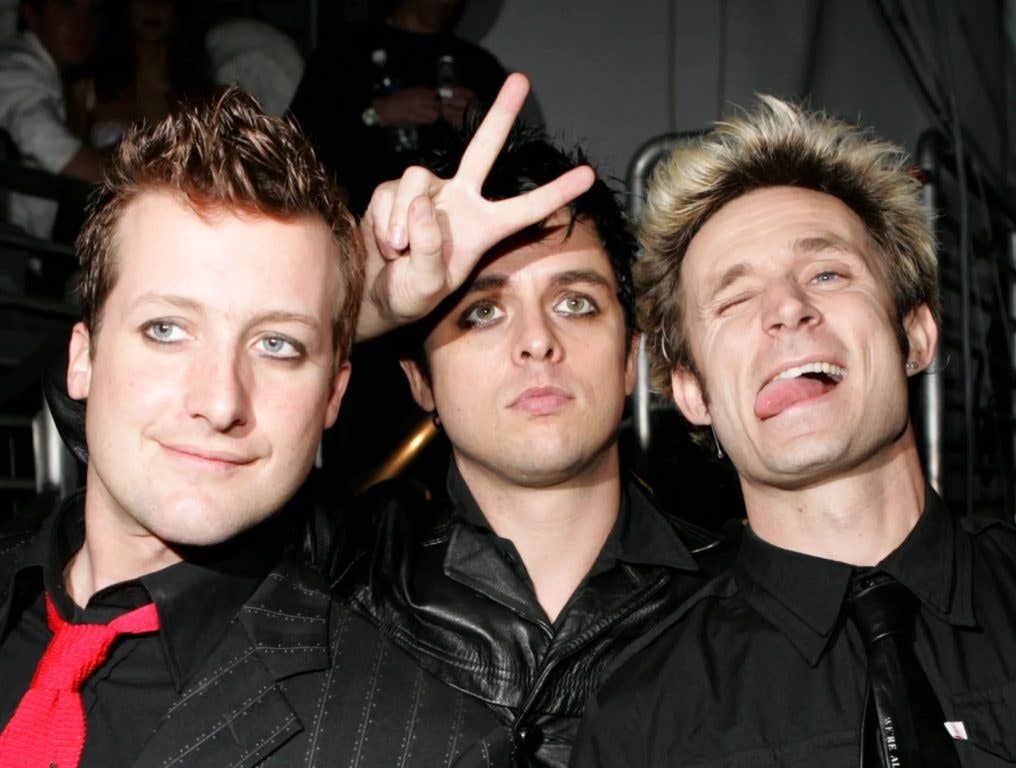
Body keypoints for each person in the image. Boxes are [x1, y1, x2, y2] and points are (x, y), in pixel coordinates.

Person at [0, 82, 587, 767]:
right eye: (166, 330)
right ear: (82, 360)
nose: (221, 401)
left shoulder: (429, 749)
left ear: (335, 393)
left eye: (277, 346)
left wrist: (347, 295)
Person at [570, 96, 1016, 766]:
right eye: (736, 298)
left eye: (827, 273)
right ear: (692, 392)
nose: (786, 309)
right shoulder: (643, 722)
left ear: (915, 335)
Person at [339, 82, 729, 768]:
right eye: (482, 311)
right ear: (418, 378)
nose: (537, 342)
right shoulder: (332, 583)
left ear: (631, 354)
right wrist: (353, 300)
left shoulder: (743, 603)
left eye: (576, 303)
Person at [289, 0, 507, 214]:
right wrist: (376, 113)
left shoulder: (479, 66)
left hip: (454, 222)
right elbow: (296, 138)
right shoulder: (342, 54)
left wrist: (478, 122)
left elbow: (516, 158)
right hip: (356, 224)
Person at [0, 0, 105, 238]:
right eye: (66, 6)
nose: (81, 25)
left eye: (93, 12)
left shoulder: (70, 84)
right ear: (31, 13)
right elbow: (46, 140)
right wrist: (144, 183)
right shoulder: (14, 66)